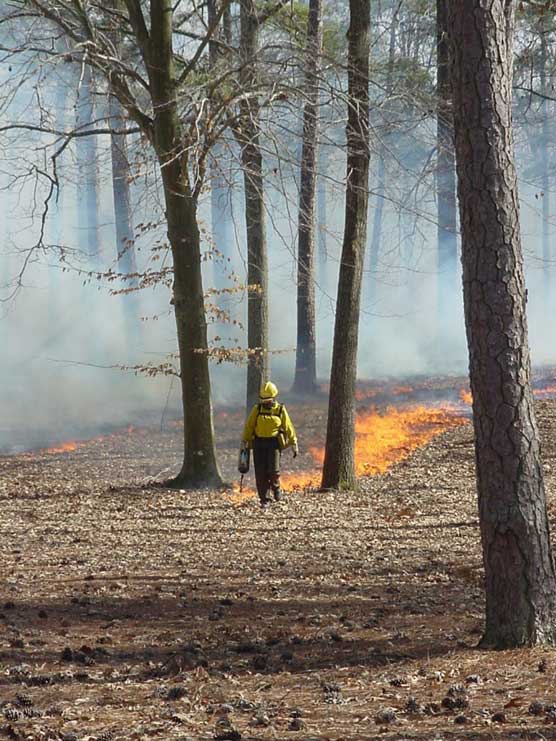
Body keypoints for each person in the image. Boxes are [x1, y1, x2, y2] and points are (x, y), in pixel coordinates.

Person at [241, 381, 298, 508]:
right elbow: (249, 426)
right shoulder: (257, 409)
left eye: (267, 399)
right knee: (260, 473)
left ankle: (276, 488)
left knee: (274, 470)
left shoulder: (280, 410)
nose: (265, 402)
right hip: (258, 443)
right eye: (263, 399)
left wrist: (294, 443)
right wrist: (244, 441)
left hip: (274, 444)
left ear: (273, 397)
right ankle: (264, 499)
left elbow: (288, 427)